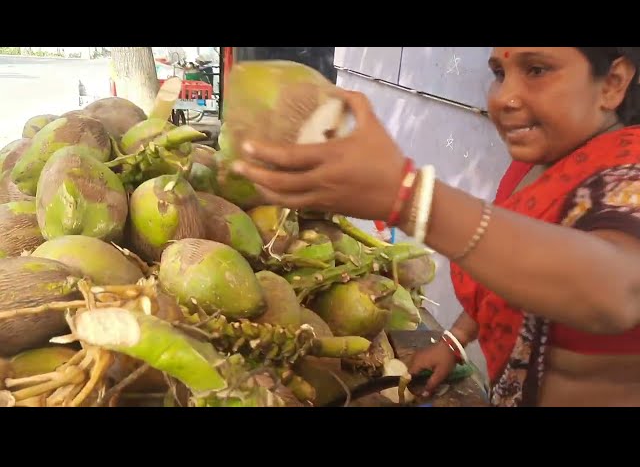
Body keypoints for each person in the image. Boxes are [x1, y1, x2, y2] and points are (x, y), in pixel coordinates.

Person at [230, 47, 640, 407]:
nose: (504, 98)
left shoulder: (629, 172)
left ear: (613, 83)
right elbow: (514, 271)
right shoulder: (531, 169)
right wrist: (455, 341)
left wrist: (406, 196)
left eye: (537, 70)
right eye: (499, 73)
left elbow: (618, 290)